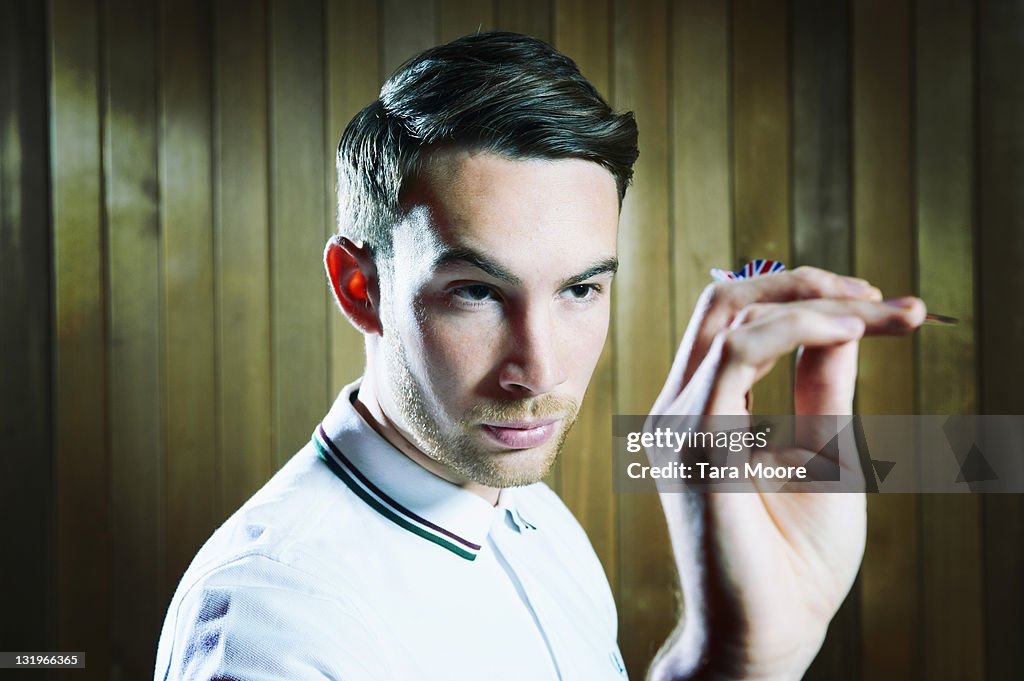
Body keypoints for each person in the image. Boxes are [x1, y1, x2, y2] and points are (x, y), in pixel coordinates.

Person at [154, 32, 925, 681]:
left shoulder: (531, 512)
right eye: (477, 293)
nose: (541, 370)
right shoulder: (272, 621)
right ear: (361, 288)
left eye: (580, 289)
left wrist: (731, 658)